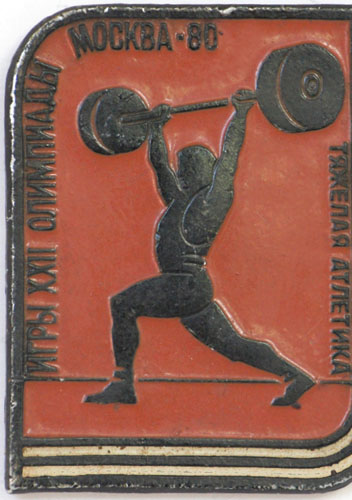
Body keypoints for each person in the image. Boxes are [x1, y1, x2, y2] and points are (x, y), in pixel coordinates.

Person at [85, 90, 315, 407]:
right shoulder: (180, 202)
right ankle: (297, 376)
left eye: (185, 167)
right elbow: (159, 165)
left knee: (123, 304)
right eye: (180, 167)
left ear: (200, 172)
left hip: (184, 285)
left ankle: (123, 384)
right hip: (190, 290)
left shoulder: (210, 204)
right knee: (233, 346)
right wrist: (156, 127)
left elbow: (229, 159)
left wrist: (240, 115)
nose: (178, 172)